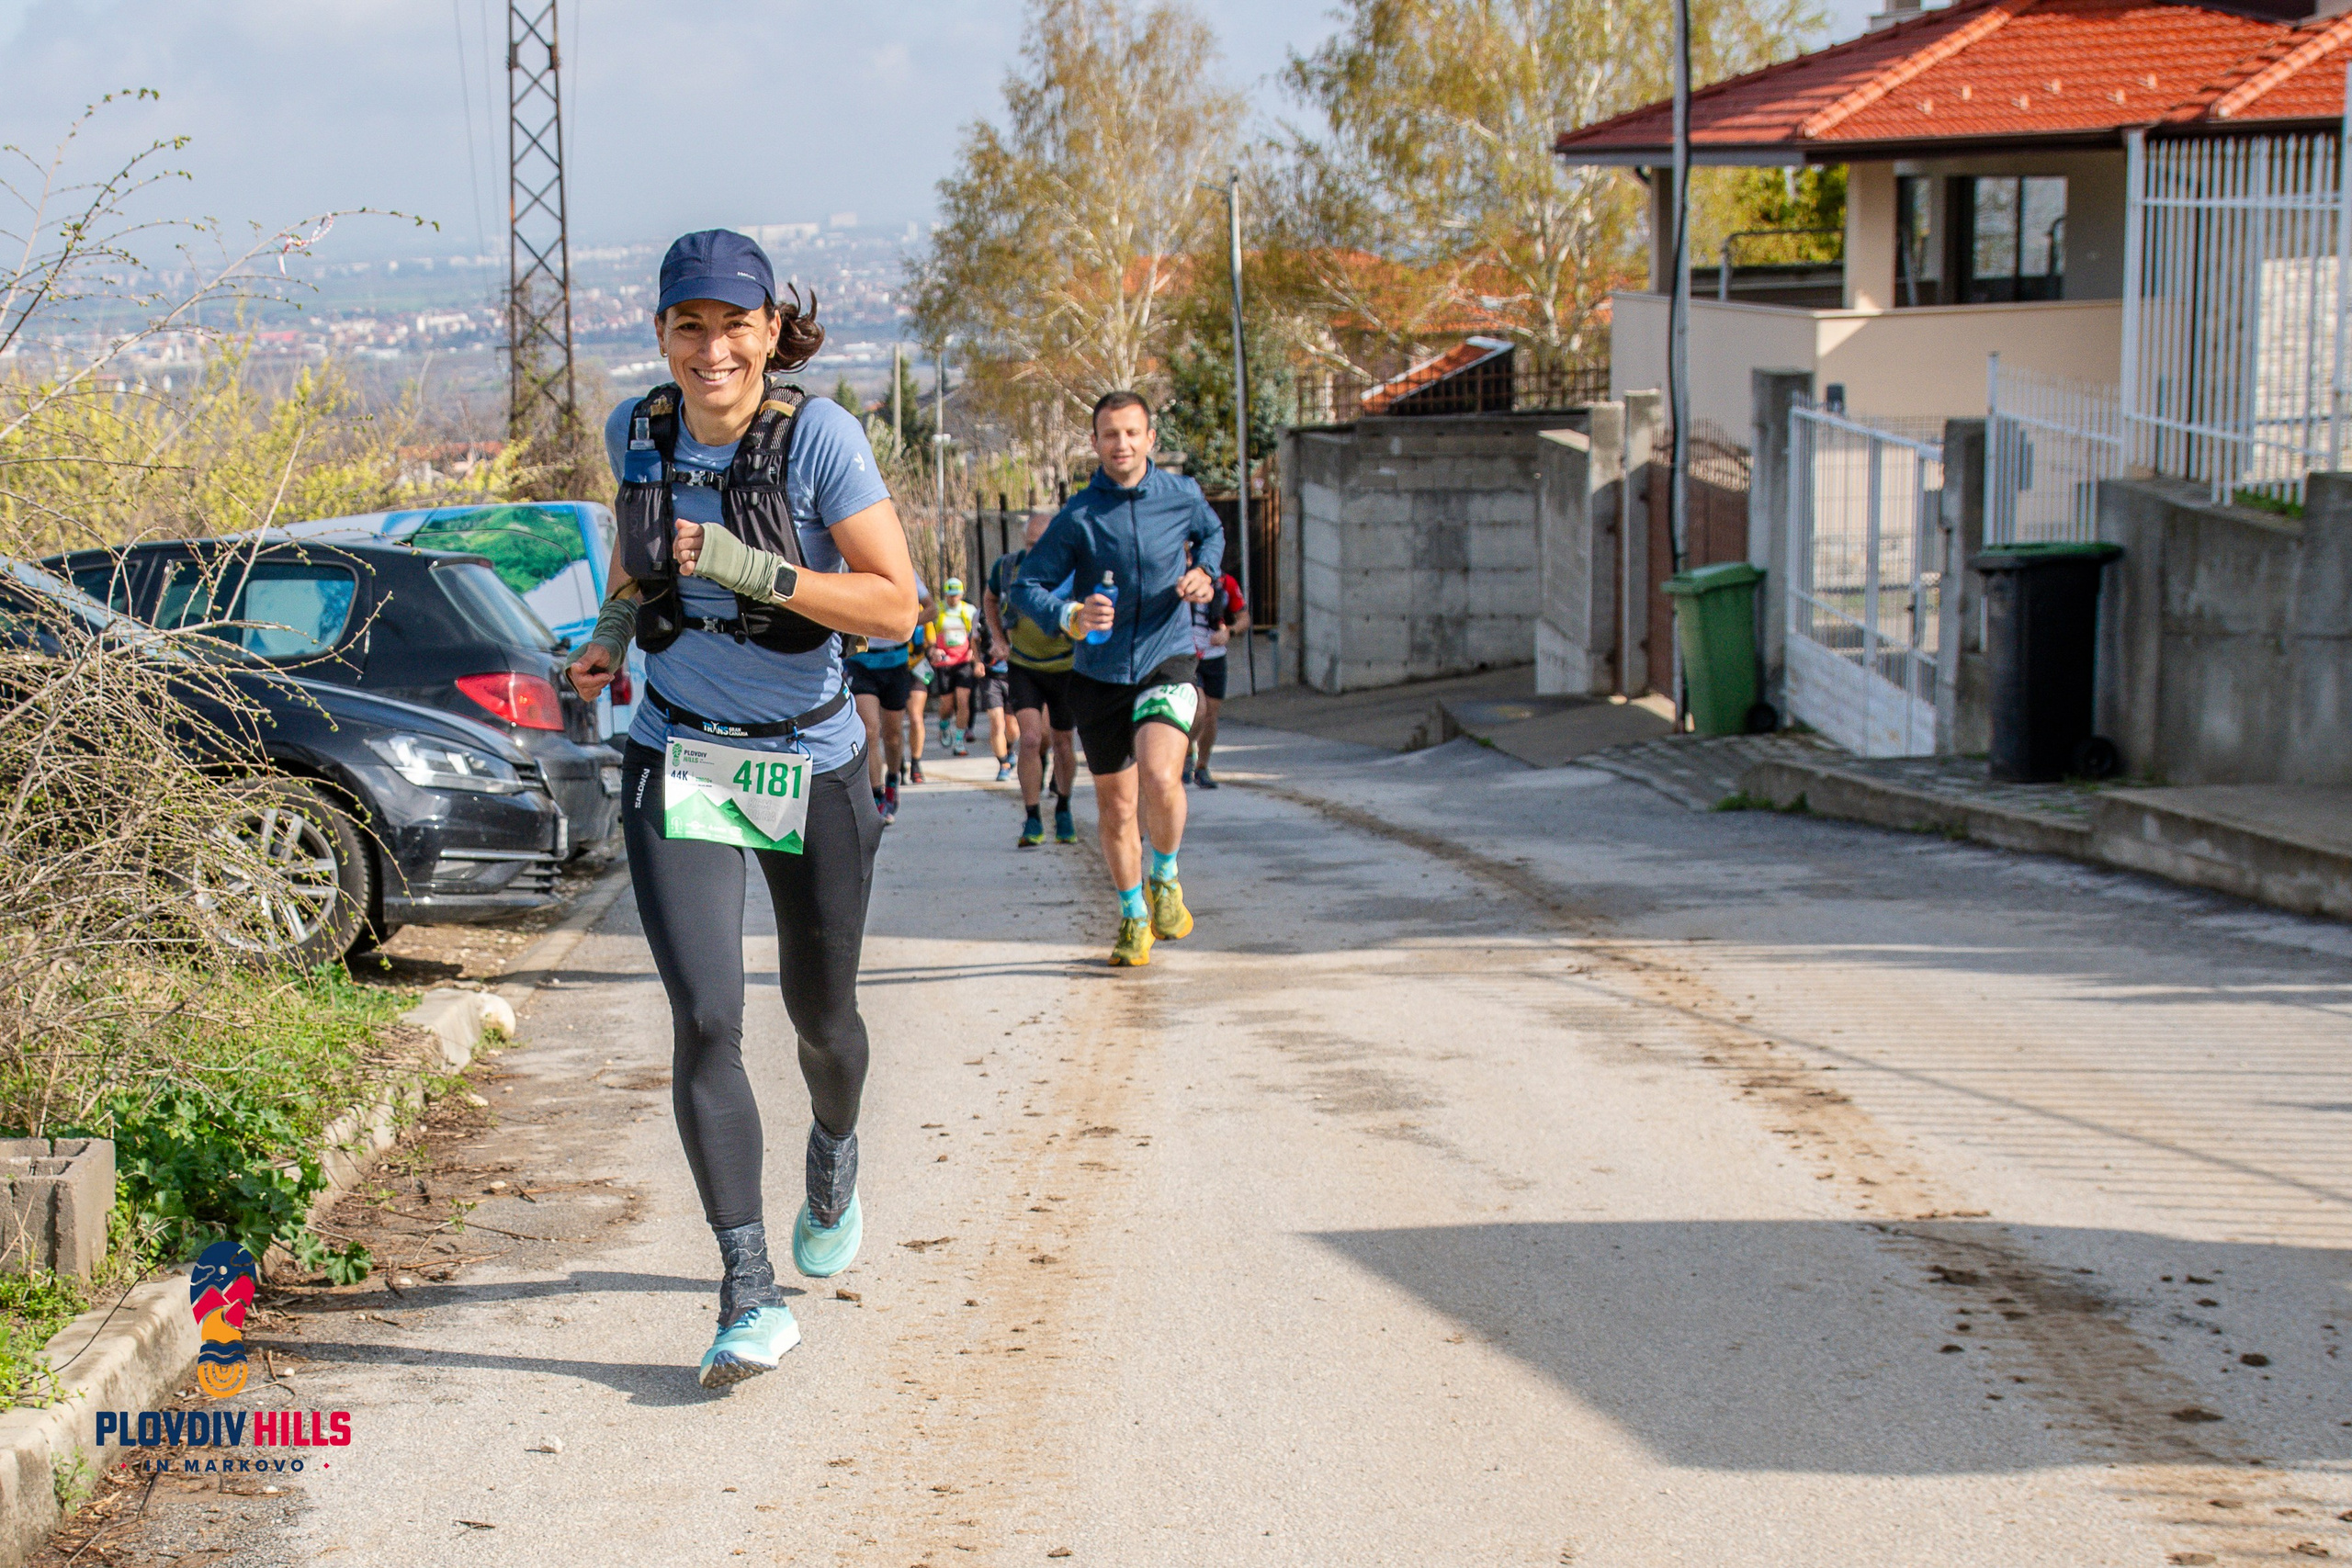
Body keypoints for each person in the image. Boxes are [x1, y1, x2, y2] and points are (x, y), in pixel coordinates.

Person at [564, 231, 920, 1389]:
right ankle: (747, 1288)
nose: (711, 349)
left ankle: (835, 1151)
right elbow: (642, 562)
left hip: (809, 762)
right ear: (662, 334)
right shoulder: (638, 430)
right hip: (680, 756)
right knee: (709, 1020)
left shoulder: (819, 439)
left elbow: (895, 608)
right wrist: (611, 638)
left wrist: (750, 566)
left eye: (734, 325)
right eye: (689, 326)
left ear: (771, 331)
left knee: (823, 1021)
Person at [1012, 391, 1221, 966]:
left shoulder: (1181, 495)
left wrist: (1204, 571)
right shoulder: (1079, 516)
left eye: (1132, 433)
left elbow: (1212, 534)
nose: (1121, 444)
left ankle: (1166, 878)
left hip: (1166, 657)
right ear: (1096, 443)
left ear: (1151, 438)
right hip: (1099, 674)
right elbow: (1026, 587)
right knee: (1118, 808)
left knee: (1160, 773)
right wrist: (1070, 616)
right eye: (1110, 434)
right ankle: (1133, 916)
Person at [985, 509, 1080, 848]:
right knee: (1029, 739)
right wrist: (998, 638)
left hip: (1066, 667)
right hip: (1024, 665)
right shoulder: (1008, 568)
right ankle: (1033, 817)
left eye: (1042, 544)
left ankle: (1064, 808)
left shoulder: (1074, 568)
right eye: (1030, 544)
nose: (1035, 551)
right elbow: (990, 599)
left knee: (1063, 742)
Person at [845, 576, 925, 824]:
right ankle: (877, 794)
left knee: (893, 735)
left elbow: (931, 609)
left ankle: (892, 778)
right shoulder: (849, 571)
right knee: (869, 730)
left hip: (895, 664)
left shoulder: (903, 572)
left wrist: (902, 623)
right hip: (861, 663)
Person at [1185, 567, 1249, 789]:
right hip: (1188, 655)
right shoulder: (1182, 580)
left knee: (1211, 714)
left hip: (1214, 656)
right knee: (1197, 708)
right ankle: (1186, 752)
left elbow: (1244, 618)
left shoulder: (1226, 583)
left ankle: (1202, 766)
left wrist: (1228, 632)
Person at [927, 579, 978, 756]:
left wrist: (973, 652)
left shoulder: (969, 610)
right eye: (950, 595)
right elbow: (929, 633)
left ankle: (959, 741)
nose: (953, 599)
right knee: (947, 705)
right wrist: (933, 649)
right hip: (944, 663)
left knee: (963, 701)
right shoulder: (938, 609)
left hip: (963, 662)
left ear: (962, 594)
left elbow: (976, 634)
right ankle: (944, 725)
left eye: (956, 595)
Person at [974, 612, 1015, 782]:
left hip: (1014, 674)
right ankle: (1003, 763)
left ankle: (1009, 749)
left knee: (1013, 728)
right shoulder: (980, 614)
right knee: (996, 722)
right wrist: (977, 662)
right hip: (990, 676)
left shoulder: (1013, 608)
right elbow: (974, 640)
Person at [901, 606, 931, 785]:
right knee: (893, 723)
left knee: (916, 718)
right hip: (892, 667)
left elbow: (931, 640)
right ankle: (897, 763)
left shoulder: (921, 608)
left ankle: (916, 763)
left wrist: (934, 650)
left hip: (917, 668)